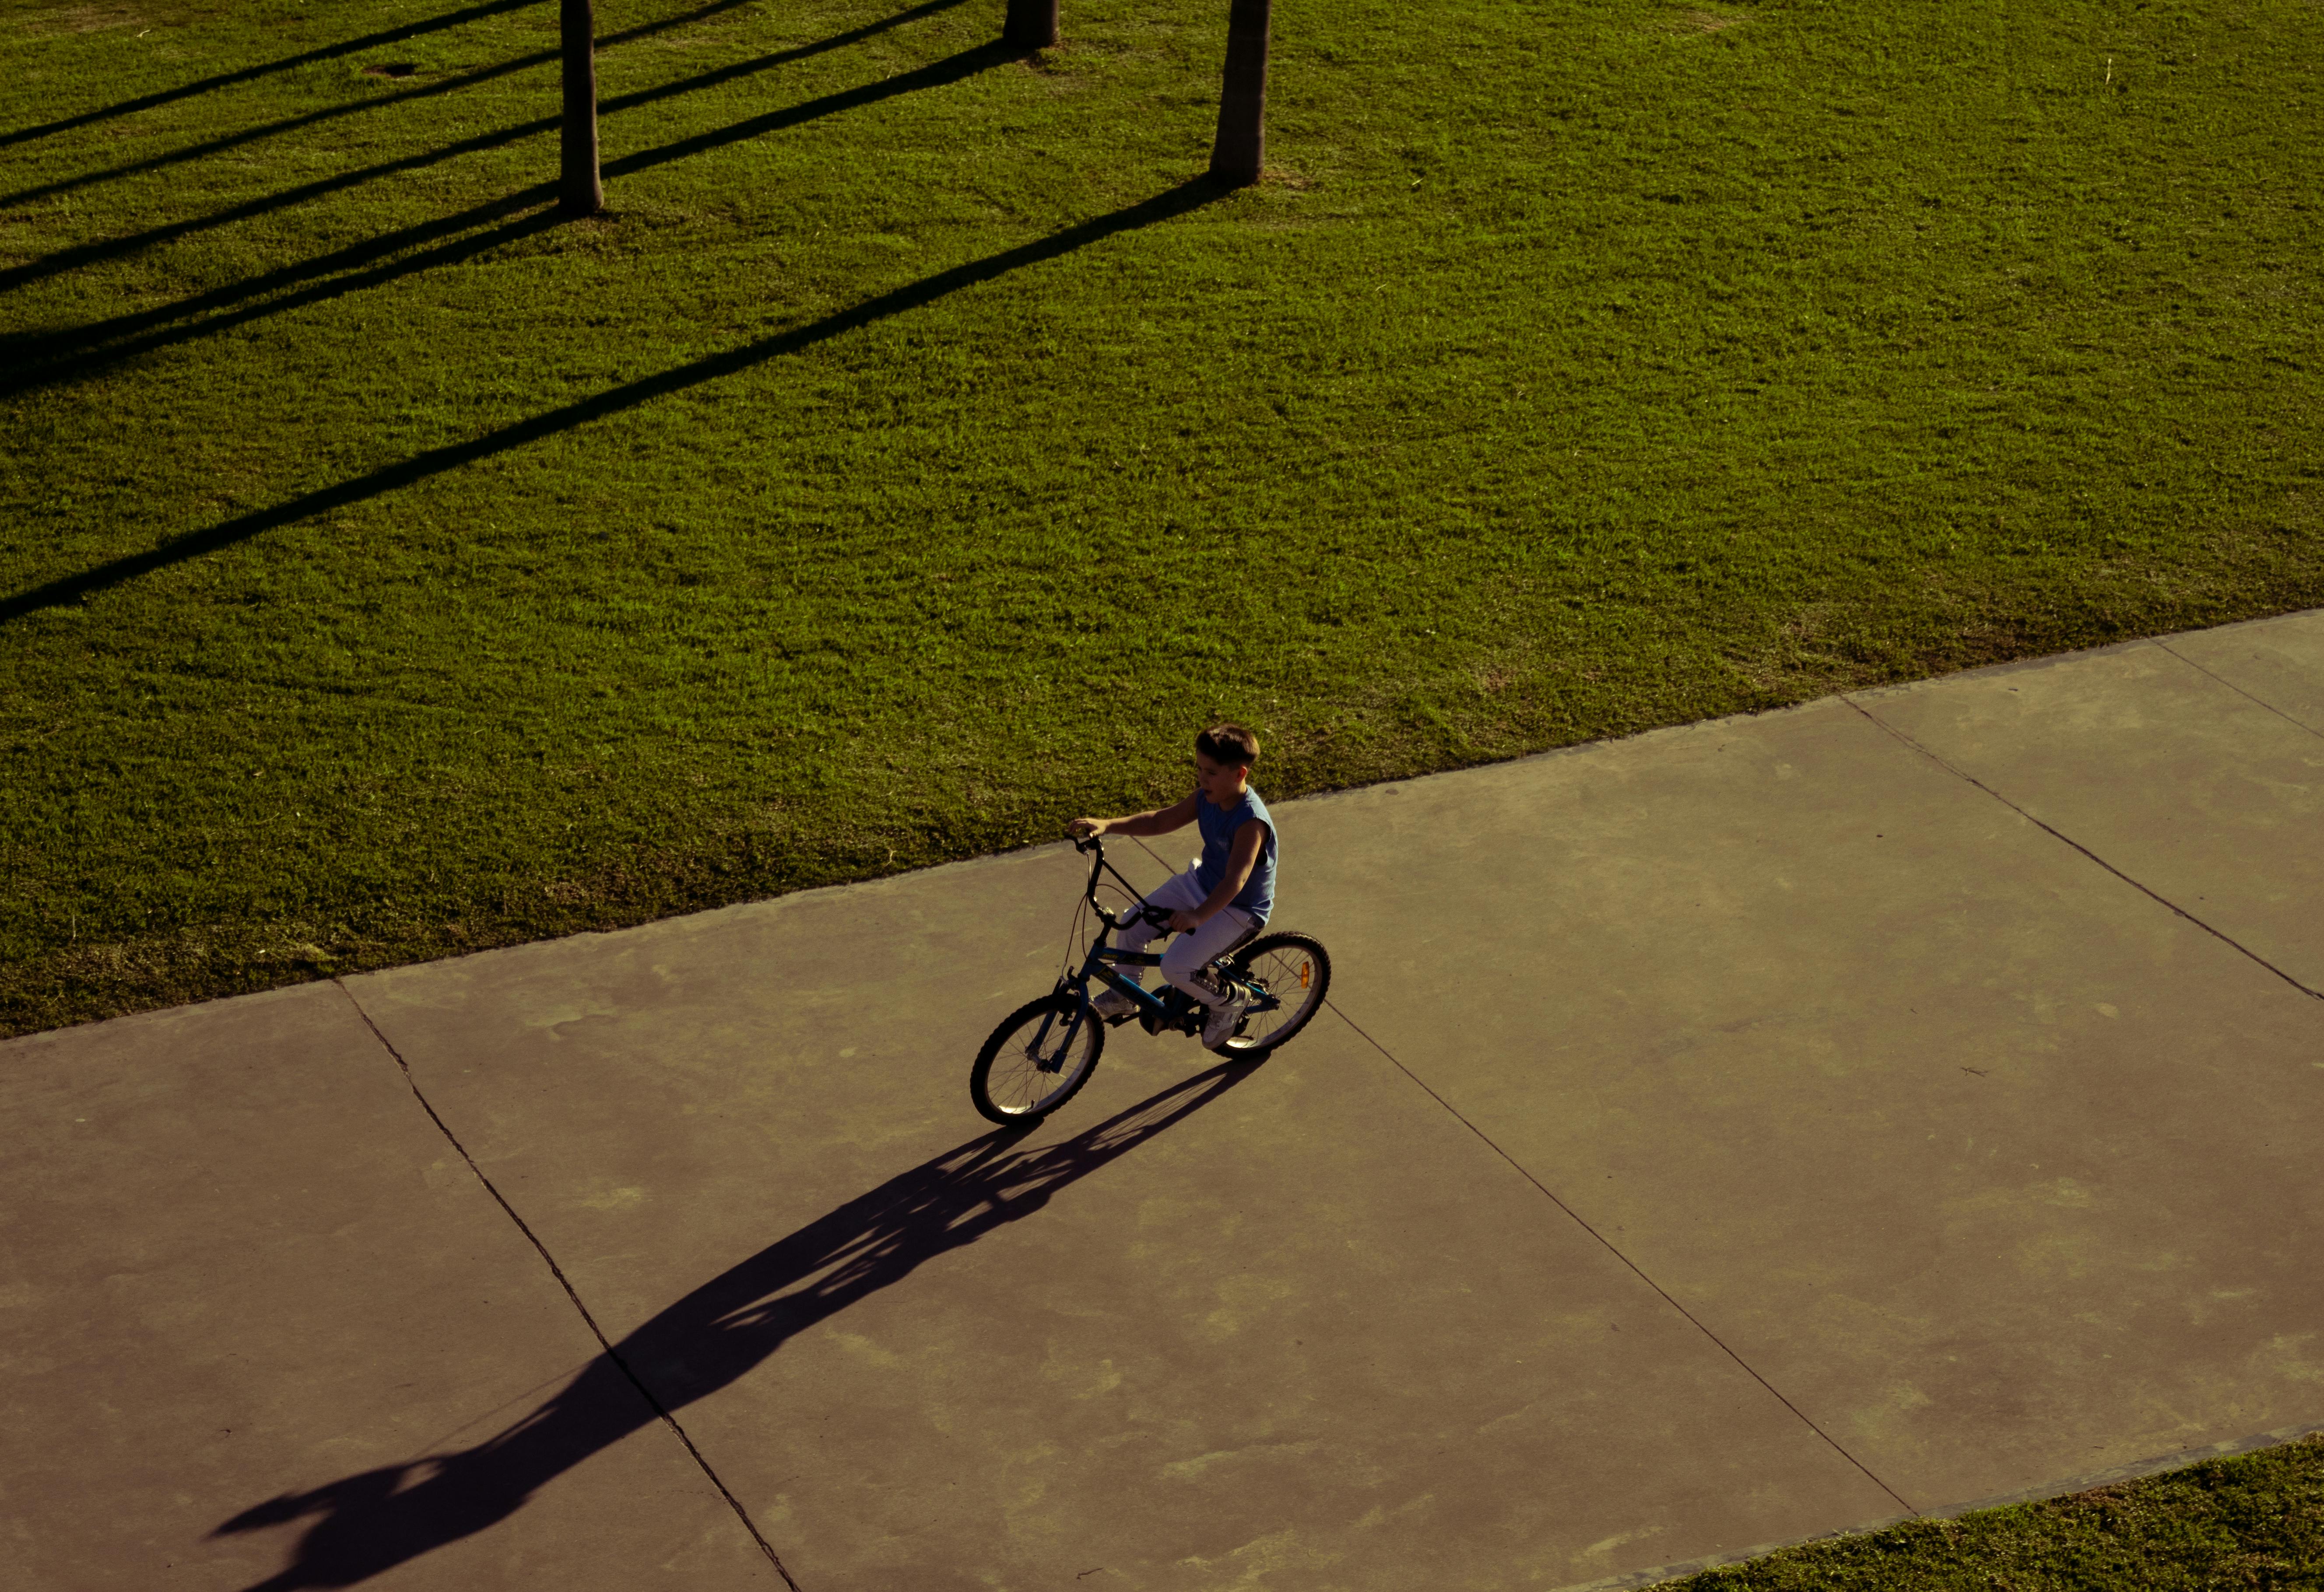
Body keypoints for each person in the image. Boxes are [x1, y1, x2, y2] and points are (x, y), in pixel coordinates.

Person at [1067, 723, 1278, 1050]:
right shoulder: (1208, 798)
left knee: (1176, 967)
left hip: (1238, 910)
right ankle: (1124, 998)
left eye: (1210, 772)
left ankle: (1229, 1000)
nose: (1201, 778)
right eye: (1199, 768)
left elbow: (1235, 881)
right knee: (1131, 924)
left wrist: (1197, 917)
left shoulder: (1251, 822)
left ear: (1239, 774)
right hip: (1201, 885)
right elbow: (1159, 820)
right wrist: (1108, 825)